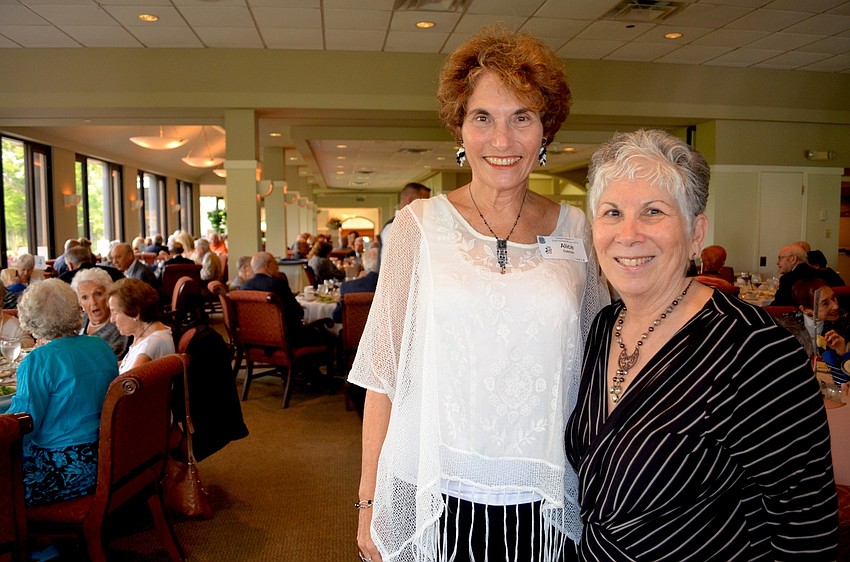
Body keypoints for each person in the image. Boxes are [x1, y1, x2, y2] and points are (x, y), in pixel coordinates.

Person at [350, 26, 608, 562]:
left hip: (544, 490)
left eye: (522, 117)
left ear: (546, 130)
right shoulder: (417, 227)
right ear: (460, 128)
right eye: (483, 117)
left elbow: (598, 366)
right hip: (435, 484)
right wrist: (369, 500)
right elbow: (382, 375)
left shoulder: (578, 230)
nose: (502, 140)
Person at [565, 129, 837, 561]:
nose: (628, 234)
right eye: (612, 212)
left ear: (696, 233)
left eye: (653, 211)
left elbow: (805, 529)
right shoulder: (603, 327)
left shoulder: (756, 350)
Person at [3, 279, 118, 506]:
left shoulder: (37, 361)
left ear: (31, 318)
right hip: (109, 457)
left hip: (64, 469)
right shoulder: (100, 346)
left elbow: (23, 425)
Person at [774, 277, 850, 362]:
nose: (836, 306)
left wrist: (844, 353)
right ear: (805, 309)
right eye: (825, 303)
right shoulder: (786, 325)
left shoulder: (844, 321)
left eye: (833, 298)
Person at [108, 278, 174, 374]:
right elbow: (127, 364)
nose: (112, 320)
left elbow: (128, 381)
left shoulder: (150, 344)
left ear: (135, 313)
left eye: (115, 313)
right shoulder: (146, 332)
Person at [241, 252, 308, 345]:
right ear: (267, 265)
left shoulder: (244, 287)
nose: (278, 267)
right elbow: (297, 313)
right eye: (275, 263)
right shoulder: (278, 284)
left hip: (254, 340)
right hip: (286, 339)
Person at [70, 267, 130, 359]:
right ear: (80, 303)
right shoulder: (79, 321)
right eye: (85, 297)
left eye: (98, 294)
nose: (93, 302)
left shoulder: (119, 327)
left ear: (108, 295)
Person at [379, 182, 430, 268]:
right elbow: (392, 263)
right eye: (424, 201)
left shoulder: (414, 224)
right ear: (411, 201)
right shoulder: (393, 226)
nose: (427, 205)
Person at [772, 243, 842, 306]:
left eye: (780, 258)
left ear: (792, 259)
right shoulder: (828, 274)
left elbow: (778, 306)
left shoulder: (788, 279)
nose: (777, 262)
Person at [332, 247, 378, 323]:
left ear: (364, 264)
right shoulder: (390, 288)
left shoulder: (347, 287)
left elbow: (337, 317)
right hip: (381, 330)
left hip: (353, 330)